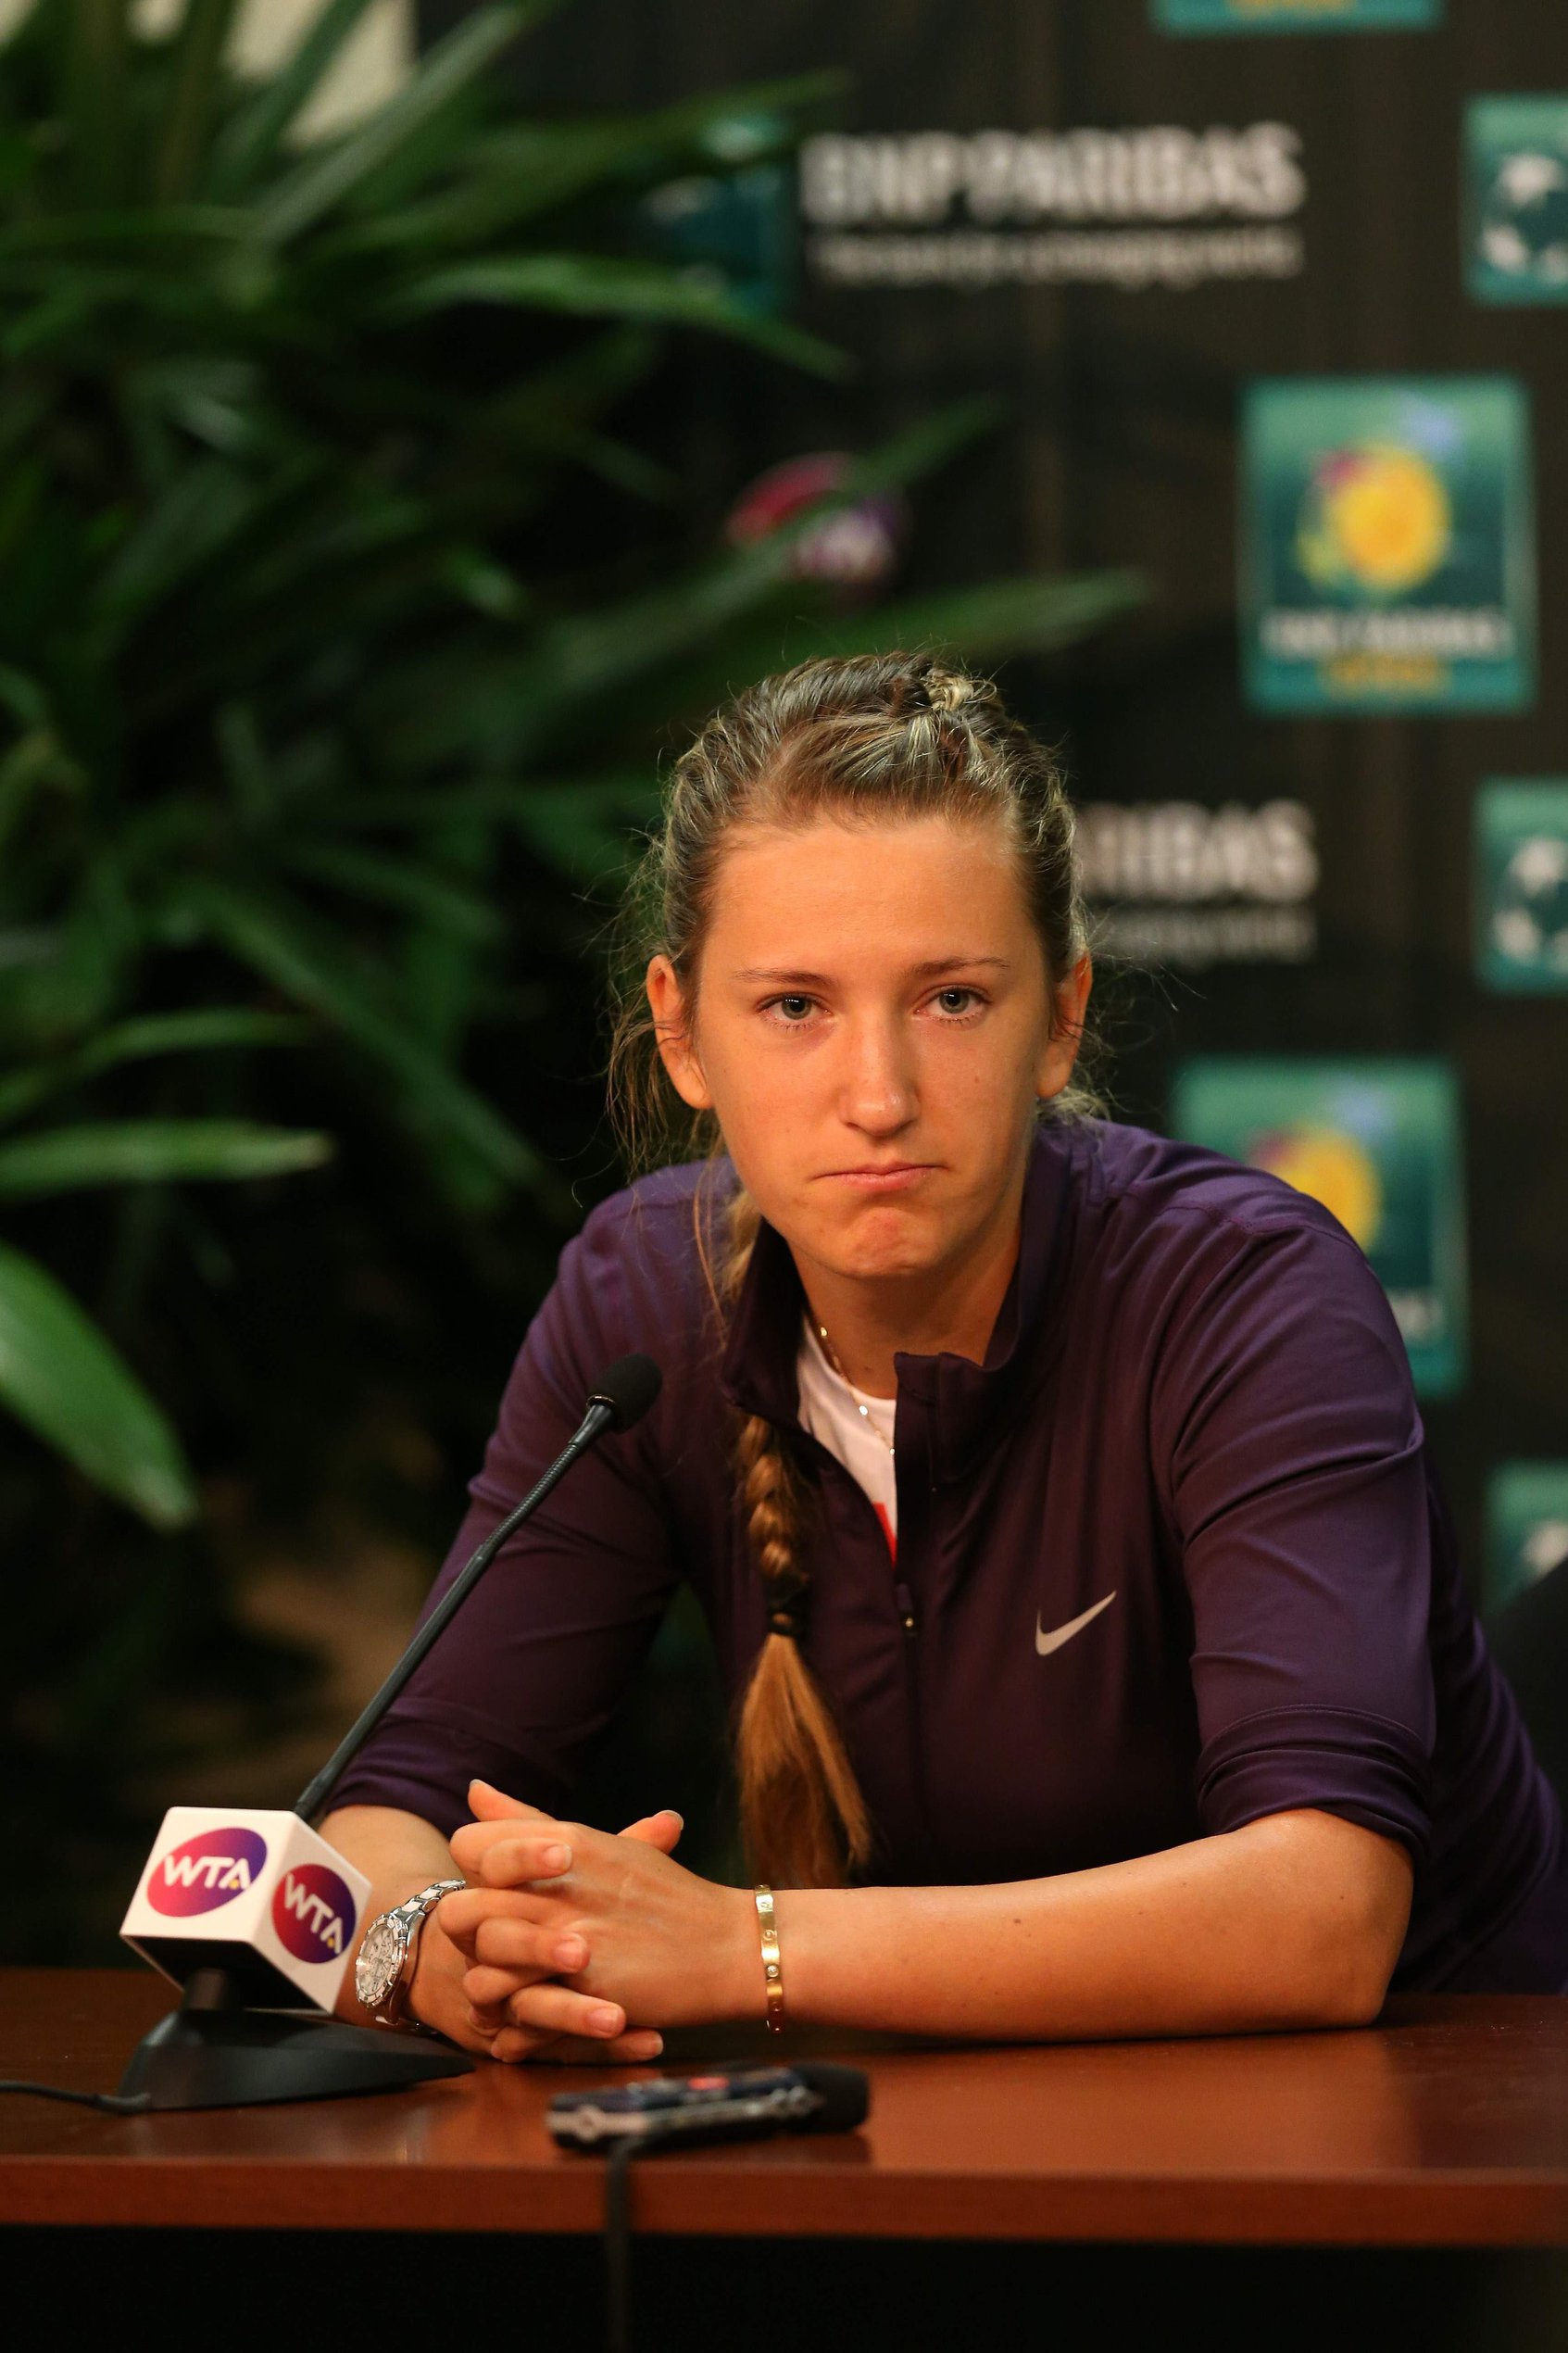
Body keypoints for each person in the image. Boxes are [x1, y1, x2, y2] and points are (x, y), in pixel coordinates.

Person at [323, 651, 1568, 2066]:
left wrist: (743, 1948)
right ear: (680, 1033)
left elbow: (1320, 1914)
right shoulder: (638, 1299)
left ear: (1062, 1016)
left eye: (952, 1001)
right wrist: (438, 1951)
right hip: (959, 2136)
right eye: (794, 1007)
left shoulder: (1245, 1294)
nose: (877, 1096)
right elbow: (388, 1802)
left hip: (1439, 2145)